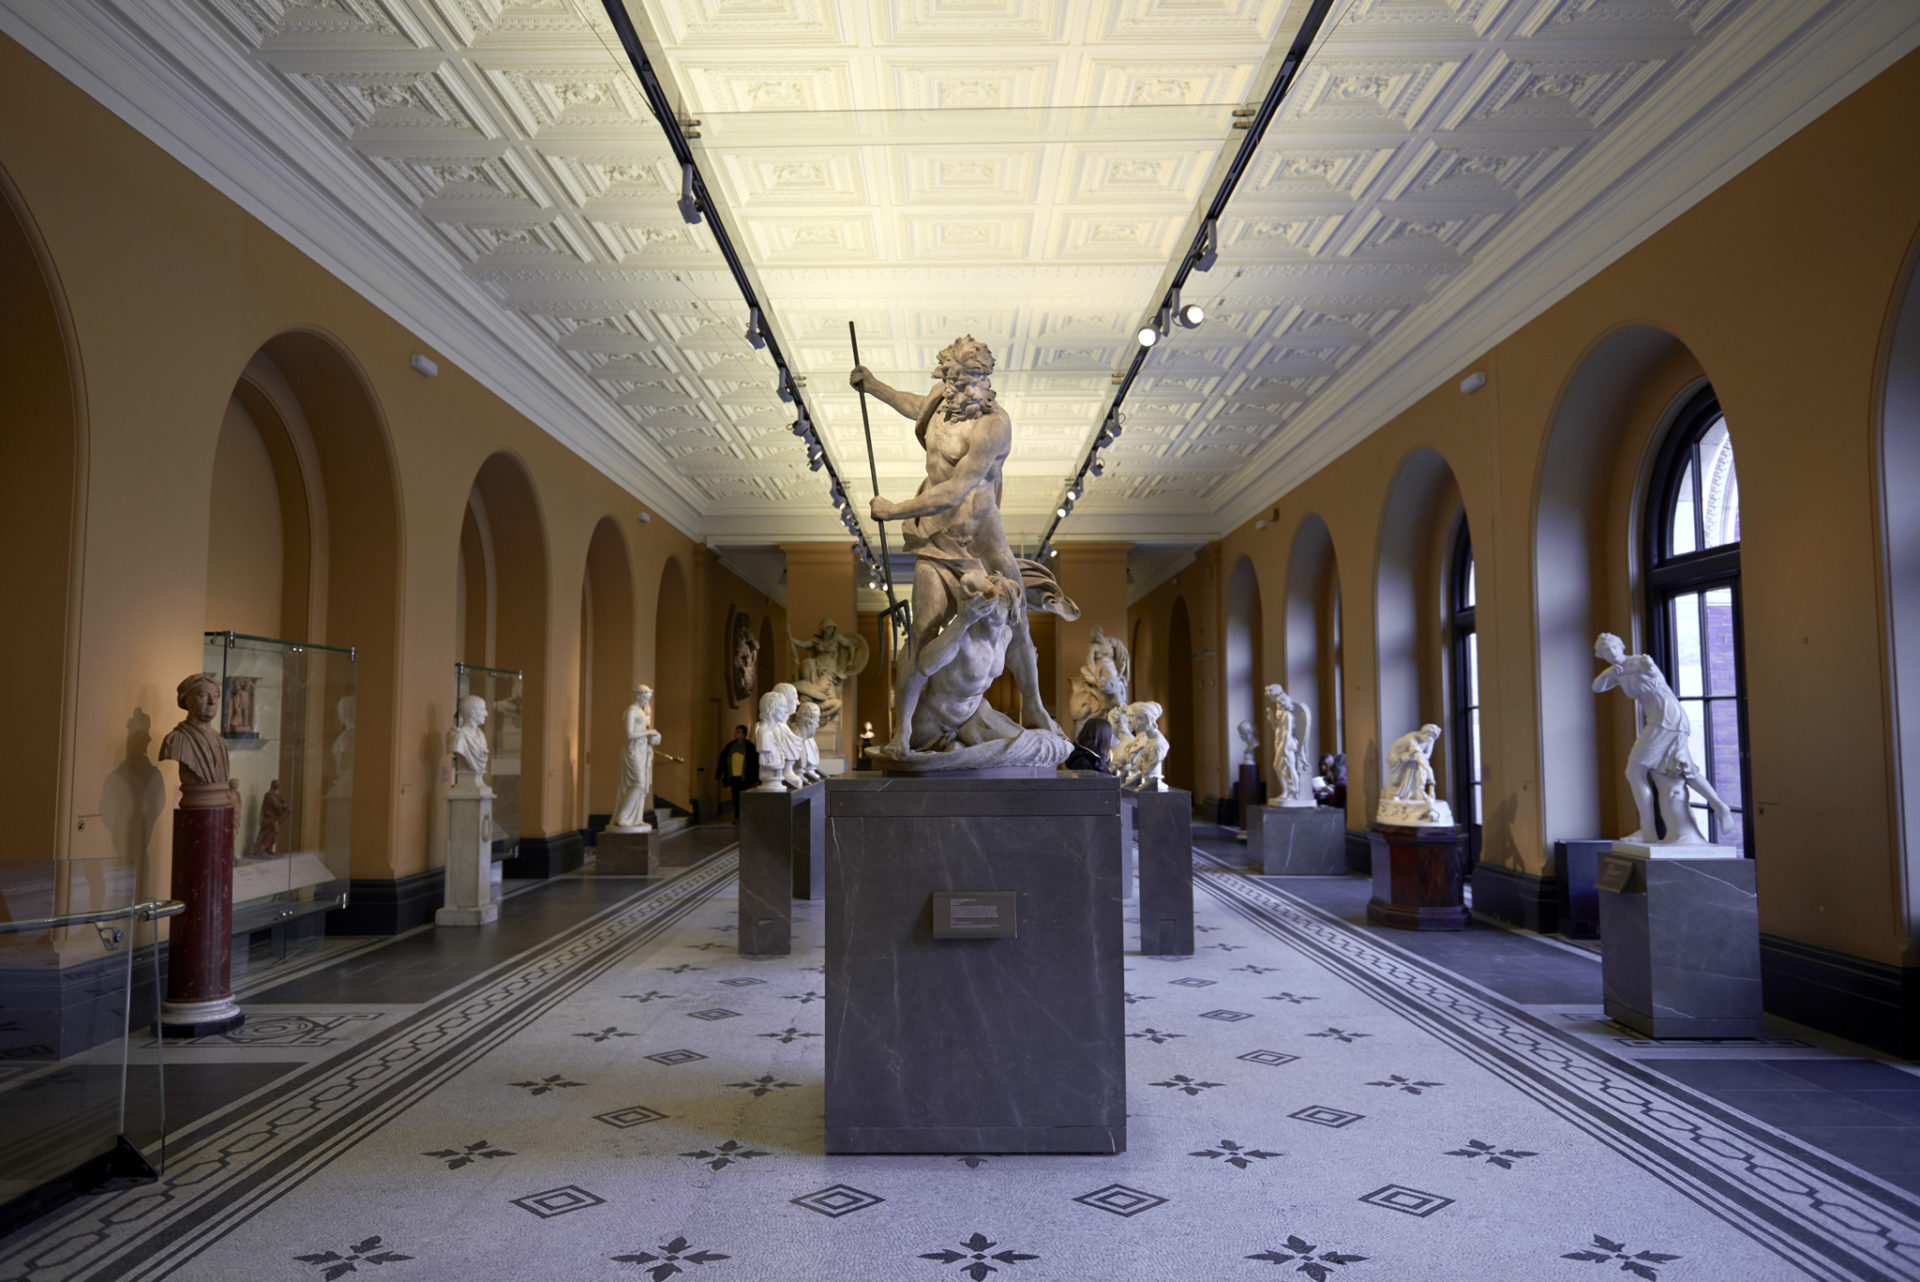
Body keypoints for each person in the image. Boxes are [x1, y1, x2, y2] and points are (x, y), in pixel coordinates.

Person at [852, 335, 1062, 755]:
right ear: (947, 375)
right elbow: (914, 405)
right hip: (935, 539)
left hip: (983, 545)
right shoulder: (940, 401)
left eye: (982, 377)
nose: (975, 387)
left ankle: (1034, 707)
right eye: (965, 377)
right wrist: (874, 386)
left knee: (1016, 621)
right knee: (921, 634)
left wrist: (893, 510)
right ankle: (903, 734)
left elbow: (955, 490)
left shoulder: (993, 425)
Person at [1592, 631, 1734, 843]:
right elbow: (1597, 687)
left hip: (1666, 718)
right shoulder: (1617, 671)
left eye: (1613, 648)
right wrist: (1608, 674)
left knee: (1634, 770)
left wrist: (1648, 667)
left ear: (1621, 646)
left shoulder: (1640, 661)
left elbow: (1654, 674)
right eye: (1605, 652)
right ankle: (1719, 805)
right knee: (1682, 768)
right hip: (1662, 719)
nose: (1611, 653)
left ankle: (1648, 831)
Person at [609, 685, 660, 832]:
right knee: (638, 783)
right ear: (637, 695)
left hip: (642, 751)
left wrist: (652, 736)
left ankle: (635, 819)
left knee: (642, 786)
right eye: (644, 697)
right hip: (632, 752)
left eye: (648, 698)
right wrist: (648, 731)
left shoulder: (641, 712)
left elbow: (643, 731)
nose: (646, 700)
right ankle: (622, 817)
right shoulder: (631, 711)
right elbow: (630, 734)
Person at [715, 723, 759, 821]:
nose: (736, 734)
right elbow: (722, 760)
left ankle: (746, 817)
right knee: (735, 798)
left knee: (745, 798)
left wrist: (756, 778)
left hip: (745, 777)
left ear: (744, 735)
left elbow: (754, 763)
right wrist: (719, 774)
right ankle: (737, 817)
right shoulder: (730, 746)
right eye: (736, 732)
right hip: (734, 777)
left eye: (739, 732)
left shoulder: (749, 747)